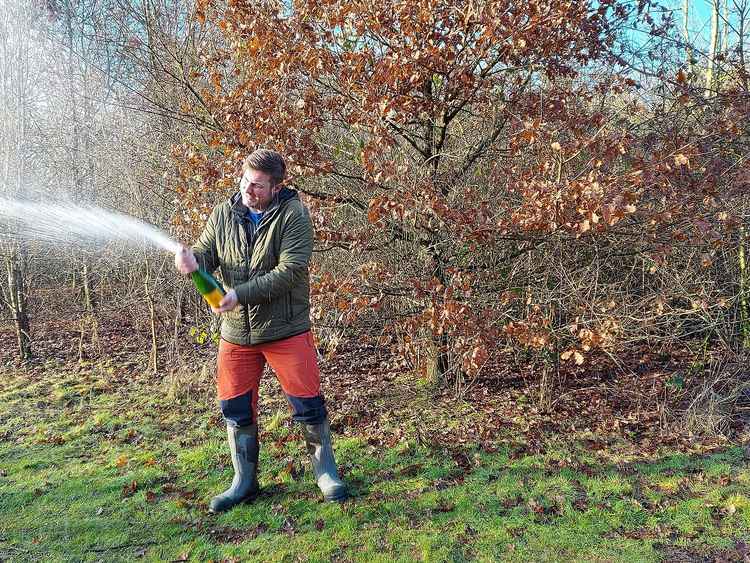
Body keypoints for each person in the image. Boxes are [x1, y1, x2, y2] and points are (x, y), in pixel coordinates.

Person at [174, 148, 348, 512]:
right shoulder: (224, 212)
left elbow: (290, 272)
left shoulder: (294, 215)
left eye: (256, 185)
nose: (247, 190)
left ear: (275, 186)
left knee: (308, 405)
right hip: (236, 334)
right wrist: (193, 262)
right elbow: (207, 254)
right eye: (244, 181)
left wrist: (238, 294)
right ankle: (244, 481)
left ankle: (325, 473)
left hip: (286, 329)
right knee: (234, 408)